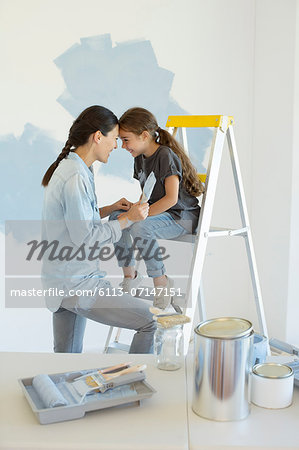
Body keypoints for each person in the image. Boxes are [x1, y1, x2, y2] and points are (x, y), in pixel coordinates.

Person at [41, 105, 156, 353]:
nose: (116, 146)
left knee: (67, 360)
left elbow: (73, 221)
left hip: (61, 282)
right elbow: (87, 238)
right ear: (97, 136)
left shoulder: (75, 167)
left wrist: (109, 209)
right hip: (77, 284)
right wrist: (129, 219)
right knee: (150, 322)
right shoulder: (75, 176)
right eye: (114, 139)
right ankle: (136, 388)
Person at [109, 107, 204, 311]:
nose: (123, 145)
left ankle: (161, 284)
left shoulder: (165, 155)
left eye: (126, 139)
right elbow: (149, 194)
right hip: (161, 214)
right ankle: (130, 275)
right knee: (116, 218)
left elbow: (170, 199)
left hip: (182, 216)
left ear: (144, 135)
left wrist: (137, 216)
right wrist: (134, 208)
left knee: (138, 227)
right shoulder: (139, 157)